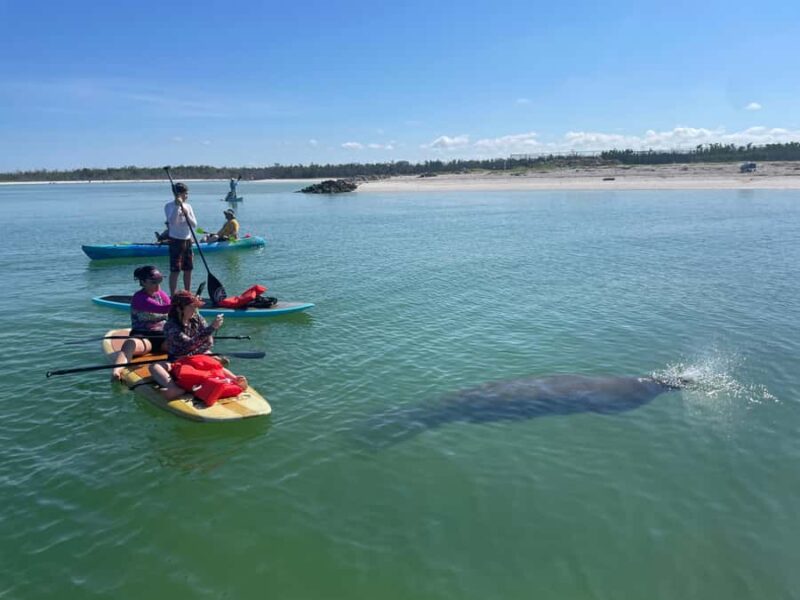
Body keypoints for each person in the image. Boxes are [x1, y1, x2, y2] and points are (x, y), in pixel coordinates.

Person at [150, 291, 247, 400]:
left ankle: (235, 379)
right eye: (192, 306)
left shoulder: (197, 318)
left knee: (210, 357)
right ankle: (173, 387)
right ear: (179, 308)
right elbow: (188, 344)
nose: (195, 309)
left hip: (198, 355)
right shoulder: (170, 326)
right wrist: (211, 328)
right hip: (177, 359)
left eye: (196, 306)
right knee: (155, 367)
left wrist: (205, 340)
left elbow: (209, 342)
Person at [111, 266, 171, 380]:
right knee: (130, 343)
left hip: (163, 337)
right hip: (144, 337)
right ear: (143, 282)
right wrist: (181, 302)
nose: (157, 285)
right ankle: (117, 370)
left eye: (159, 281)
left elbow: (171, 308)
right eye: (153, 282)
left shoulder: (161, 294)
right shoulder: (139, 298)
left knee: (182, 341)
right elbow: (164, 309)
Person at [164, 182, 197, 296]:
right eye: (185, 194)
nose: (186, 196)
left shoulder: (188, 206)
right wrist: (177, 207)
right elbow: (172, 222)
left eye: (187, 193)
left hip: (187, 240)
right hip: (175, 241)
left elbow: (194, 224)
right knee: (175, 270)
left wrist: (187, 214)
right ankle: (173, 295)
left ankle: (188, 293)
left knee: (188, 269)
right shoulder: (169, 206)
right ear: (177, 194)